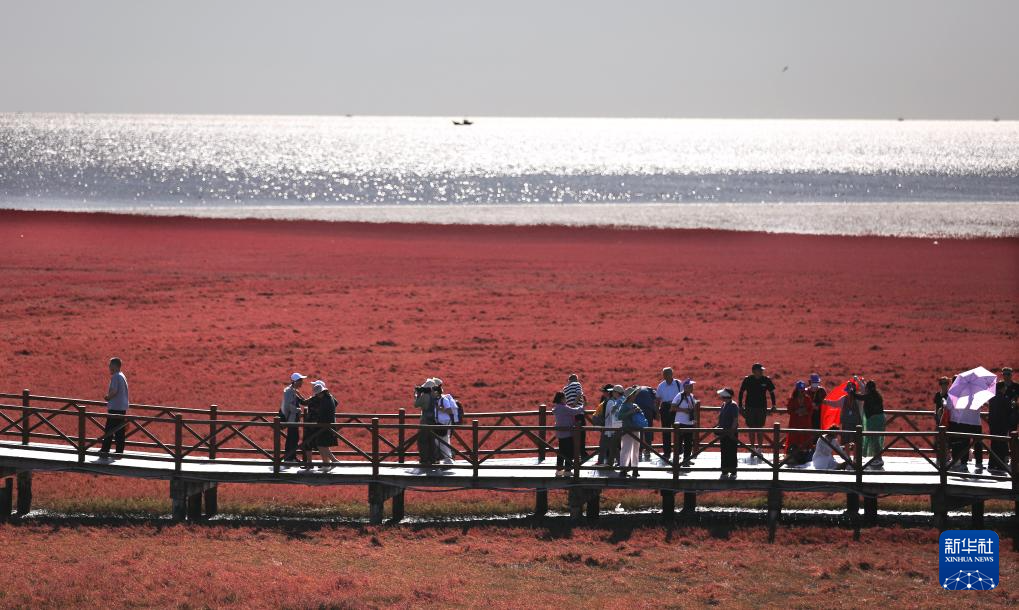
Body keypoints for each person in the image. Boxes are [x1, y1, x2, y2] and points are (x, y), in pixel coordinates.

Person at [738, 363, 776, 464]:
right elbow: (741, 392)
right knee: (751, 428)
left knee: (759, 428)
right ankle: (752, 448)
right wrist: (740, 406)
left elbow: (772, 392)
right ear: (754, 371)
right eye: (760, 370)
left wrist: (774, 405)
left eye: (762, 370)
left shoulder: (766, 380)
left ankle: (759, 448)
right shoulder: (748, 380)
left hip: (761, 408)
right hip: (750, 408)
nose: (762, 371)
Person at [946, 378, 985, 472]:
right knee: (978, 443)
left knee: (965, 444)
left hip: (963, 421)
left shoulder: (956, 391)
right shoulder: (977, 392)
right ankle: (979, 463)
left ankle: (964, 464)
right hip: (976, 421)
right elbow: (982, 405)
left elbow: (948, 405)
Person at [301, 380, 339, 470]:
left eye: (318, 394)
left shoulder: (324, 401)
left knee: (321, 445)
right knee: (323, 445)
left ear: (321, 393)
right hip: (328, 425)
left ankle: (327, 464)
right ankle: (331, 462)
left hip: (324, 425)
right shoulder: (329, 397)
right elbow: (336, 404)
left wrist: (317, 423)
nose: (317, 395)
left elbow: (322, 414)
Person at [99, 357, 130, 459]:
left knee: (109, 429)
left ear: (115, 366)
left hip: (115, 407)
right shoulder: (122, 376)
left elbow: (114, 391)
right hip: (122, 408)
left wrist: (107, 397)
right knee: (119, 431)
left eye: (110, 365)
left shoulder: (116, 376)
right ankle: (119, 451)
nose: (109, 367)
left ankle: (105, 450)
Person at [986, 376, 1018, 473]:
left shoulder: (992, 399)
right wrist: (1014, 405)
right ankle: (1000, 465)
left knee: (994, 444)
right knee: (1001, 444)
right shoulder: (1004, 399)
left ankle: (991, 464)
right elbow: (1009, 411)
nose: (1006, 389)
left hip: (993, 425)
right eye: (1004, 387)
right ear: (1002, 388)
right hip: (1002, 426)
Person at [553, 391, 585, 476]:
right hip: (567, 433)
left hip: (560, 434)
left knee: (561, 452)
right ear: (561, 399)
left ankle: (559, 470)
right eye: (565, 398)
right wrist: (583, 406)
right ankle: (567, 470)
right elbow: (574, 411)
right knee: (569, 452)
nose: (566, 399)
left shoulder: (557, 408)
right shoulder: (564, 408)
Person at [280, 372, 310, 464]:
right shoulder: (289, 391)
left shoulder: (293, 390)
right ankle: (289, 458)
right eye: (300, 380)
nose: (302, 382)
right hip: (291, 419)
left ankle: (291, 457)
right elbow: (289, 406)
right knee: (292, 438)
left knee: (294, 438)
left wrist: (311, 399)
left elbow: (303, 402)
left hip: (294, 419)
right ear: (295, 381)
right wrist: (298, 410)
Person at [656, 367, 684, 462]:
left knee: (678, 430)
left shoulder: (678, 383)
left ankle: (679, 450)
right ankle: (667, 452)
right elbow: (657, 400)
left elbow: (683, 395)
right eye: (664, 374)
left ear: (671, 374)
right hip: (665, 408)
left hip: (675, 407)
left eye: (666, 374)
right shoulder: (661, 386)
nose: (664, 376)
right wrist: (657, 412)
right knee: (666, 430)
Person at [616, 387, 644, 477]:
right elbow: (619, 417)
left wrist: (638, 411)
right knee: (625, 449)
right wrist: (631, 412)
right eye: (634, 394)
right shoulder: (624, 406)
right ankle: (623, 469)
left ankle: (635, 469)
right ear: (630, 396)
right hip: (627, 430)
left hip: (635, 429)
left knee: (636, 449)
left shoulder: (634, 405)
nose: (635, 396)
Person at [785, 381, 814, 465]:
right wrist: (796, 412)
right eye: (800, 390)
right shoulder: (792, 399)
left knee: (805, 439)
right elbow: (789, 410)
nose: (802, 391)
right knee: (794, 439)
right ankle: (792, 456)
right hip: (795, 423)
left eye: (803, 390)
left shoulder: (807, 398)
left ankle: (804, 457)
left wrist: (805, 412)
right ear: (797, 390)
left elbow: (811, 410)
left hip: (805, 423)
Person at [671, 379, 699, 466]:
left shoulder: (691, 396)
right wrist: (684, 410)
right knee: (678, 443)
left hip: (689, 423)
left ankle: (687, 460)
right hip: (680, 423)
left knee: (688, 443)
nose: (692, 388)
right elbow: (672, 408)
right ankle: (676, 460)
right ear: (685, 387)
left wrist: (694, 420)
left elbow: (693, 409)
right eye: (690, 386)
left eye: (692, 386)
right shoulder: (679, 396)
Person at [433, 378, 460, 467]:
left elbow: (449, 411)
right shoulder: (438, 399)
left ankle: (448, 458)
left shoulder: (444, 399)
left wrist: (439, 408)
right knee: (440, 440)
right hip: (440, 422)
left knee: (444, 440)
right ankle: (447, 457)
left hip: (445, 422)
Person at [597, 385, 625, 468]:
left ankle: (608, 462)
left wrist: (612, 428)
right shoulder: (621, 400)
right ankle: (615, 462)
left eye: (613, 391)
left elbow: (612, 415)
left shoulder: (611, 402)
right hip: (617, 426)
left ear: (616, 393)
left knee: (609, 445)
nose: (611, 393)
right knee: (614, 445)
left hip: (611, 427)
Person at [414, 379, 439, 467]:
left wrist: (417, 394)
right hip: (433, 420)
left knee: (422, 440)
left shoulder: (425, 396)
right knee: (432, 440)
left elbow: (416, 404)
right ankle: (433, 458)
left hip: (425, 421)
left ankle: (424, 459)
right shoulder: (435, 395)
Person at [861, 380, 885, 469]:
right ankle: (878, 458)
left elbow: (861, 397)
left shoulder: (869, 396)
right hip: (880, 419)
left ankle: (878, 459)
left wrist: (852, 393)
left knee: (874, 439)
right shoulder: (876, 395)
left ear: (868, 389)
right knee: (876, 439)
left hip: (874, 420)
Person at [716, 388, 739, 480]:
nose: (721, 397)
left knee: (732, 452)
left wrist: (731, 432)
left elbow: (735, 420)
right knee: (724, 451)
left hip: (730, 433)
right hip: (724, 433)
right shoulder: (724, 404)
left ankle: (733, 471)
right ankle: (724, 471)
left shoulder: (733, 405)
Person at [633, 385, 657, 461]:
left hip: (638, 411)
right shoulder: (649, 389)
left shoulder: (635, 390)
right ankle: (648, 450)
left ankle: (639, 450)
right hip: (649, 411)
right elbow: (654, 399)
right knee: (648, 430)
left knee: (638, 430)